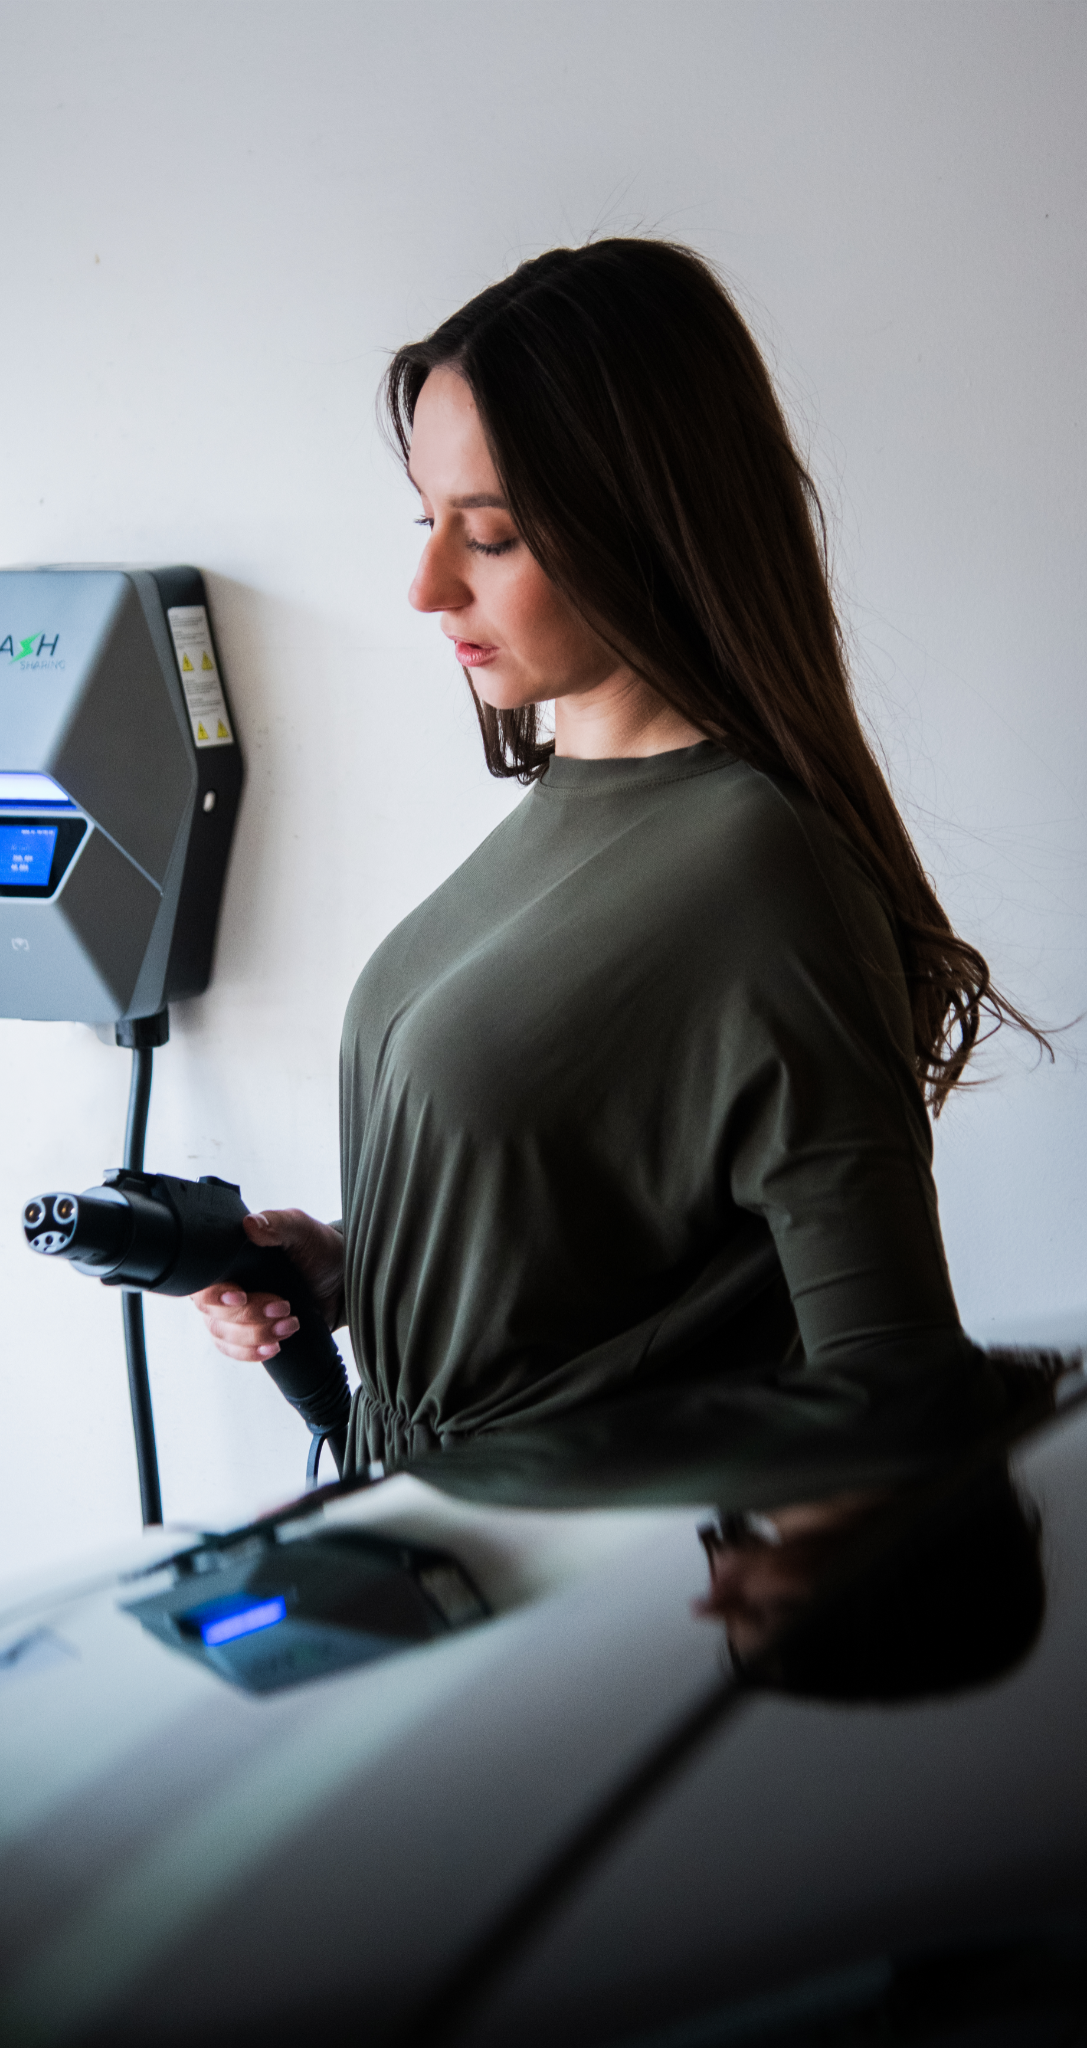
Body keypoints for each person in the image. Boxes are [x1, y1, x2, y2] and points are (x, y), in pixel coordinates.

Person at [194, 239, 1048, 1474]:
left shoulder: (763, 876)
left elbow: (891, 1385)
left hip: (570, 1562)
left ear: (648, 526)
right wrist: (353, 1268)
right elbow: (589, 1229)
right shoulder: (564, 820)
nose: (424, 584)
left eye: (488, 535)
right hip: (430, 1533)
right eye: (428, 520)